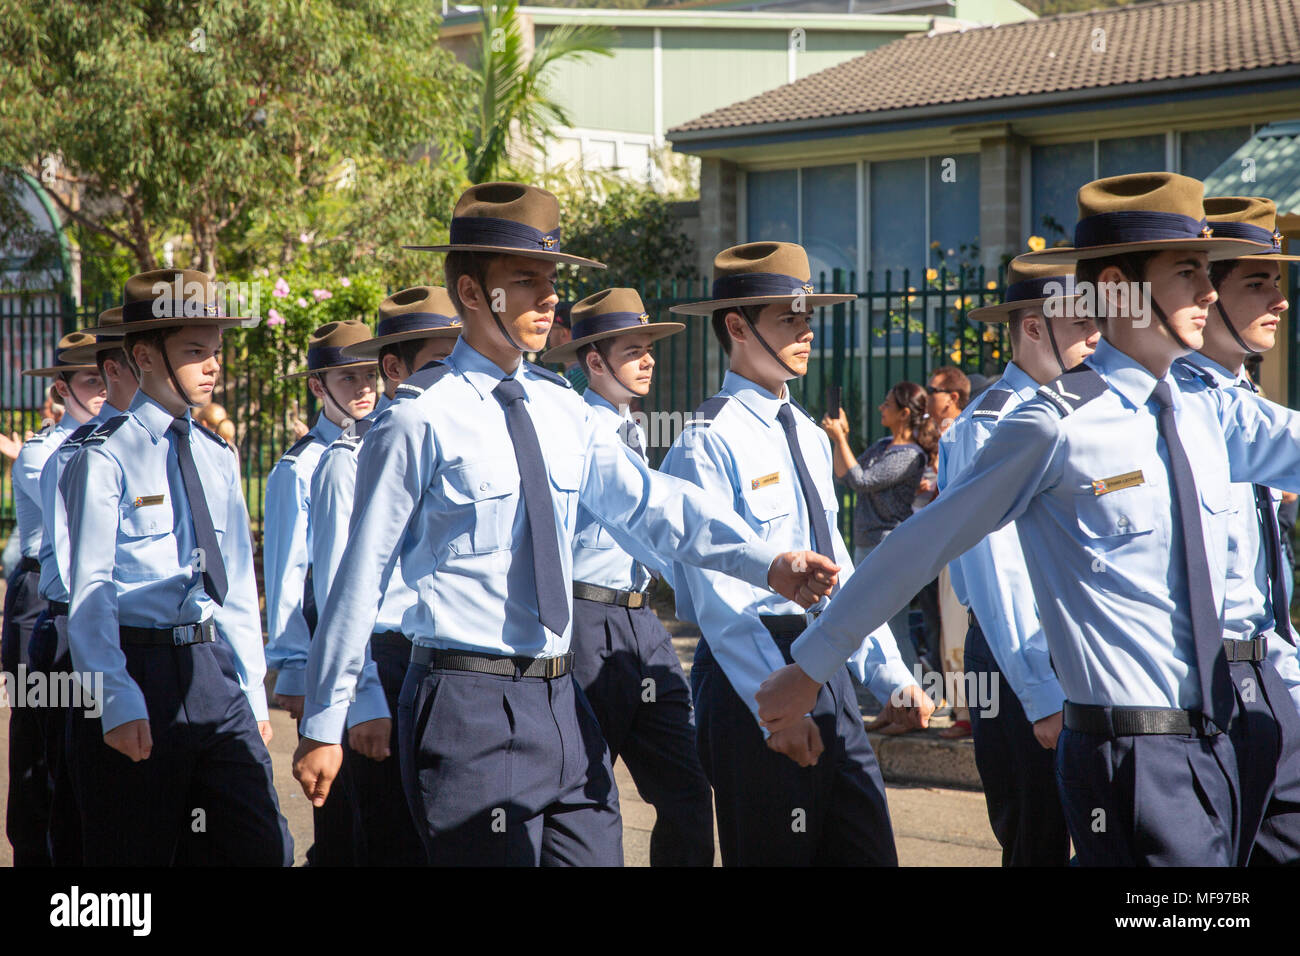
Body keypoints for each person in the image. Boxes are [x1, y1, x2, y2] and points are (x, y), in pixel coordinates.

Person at [291, 182, 838, 866]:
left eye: (551, 280)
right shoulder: (418, 417)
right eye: (525, 281)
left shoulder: (563, 411)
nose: (549, 297)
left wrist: (770, 562)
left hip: (562, 700)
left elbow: (656, 505)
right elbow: (358, 577)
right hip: (466, 708)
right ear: (470, 292)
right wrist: (324, 721)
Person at [756, 171, 1284, 866]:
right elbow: (923, 543)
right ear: (1121, 287)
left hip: (1221, 740)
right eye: (1189, 272)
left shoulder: (1209, 412)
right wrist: (812, 665)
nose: (1210, 292)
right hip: (1133, 755)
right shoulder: (1054, 425)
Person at [660, 240, 932, 866]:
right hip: (751, 675)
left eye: (808, 316)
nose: (807, 331)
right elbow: (719, 601)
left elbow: (840, 571)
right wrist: (774, 713)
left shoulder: (808, 434)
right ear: (737, 326)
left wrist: (887, 676)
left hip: (823, 660)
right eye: (789, 317)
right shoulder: (708, 440)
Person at [63, 268, 292, 865]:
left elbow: (237, 583)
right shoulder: (105, 455)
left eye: (216, 350)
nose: (214, 364)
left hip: (210, 667)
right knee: (134, 856)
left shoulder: (216, 455)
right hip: (137, 665)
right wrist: (114, 697)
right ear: (144, 354)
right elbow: (90, 590)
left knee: (261, 845)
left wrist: (250, 688)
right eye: (195, 350)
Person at [540, 287, 714, 867]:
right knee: (587, 794)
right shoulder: (576, 433)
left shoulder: (630, 430)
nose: (649, 360)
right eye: (634, 349)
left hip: (641, 621)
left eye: (650, 348)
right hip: (586, 622)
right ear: (594, 362)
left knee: (688, 788)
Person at [943, 259, 1097, 866]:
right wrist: (1041, 693)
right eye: (1081, 321)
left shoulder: (1085, 408)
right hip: (1021, 654)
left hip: (1078, 647)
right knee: (1036, 839)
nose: (1097, 334)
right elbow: (995, 570)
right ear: (1034, 328)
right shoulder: (992, 424)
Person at [311, 286, 464, 865]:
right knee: (388, 840)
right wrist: (362, 699)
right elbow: (338, 592)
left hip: (441, 662)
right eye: (437, 362)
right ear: (395, 369)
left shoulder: (463, 440)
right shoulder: (344, 463)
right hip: (385, 657)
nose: (454, 375)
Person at [1170, 195, 1300, 865]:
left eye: (1278, 282)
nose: (1280, 300)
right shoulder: (1176, 409)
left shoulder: (1241, 401)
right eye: (1257, 283)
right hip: (1203, 689)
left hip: (1265, 675)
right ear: (1203, 293)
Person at [263, 320, 379, 866]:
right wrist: (293, 669)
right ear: (317, 385)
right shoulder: (301, 466)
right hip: (332, 663)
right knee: (343, 823)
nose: (364, 387)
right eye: (347, 376)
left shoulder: (385, 448)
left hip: (384, 653)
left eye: (370, 374)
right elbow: (288, 577)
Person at [30, 307, 140, 866]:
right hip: (77, 628)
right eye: (95, 377)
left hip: (136, 636)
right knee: (68, 786)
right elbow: (78, 572)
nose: (105, 388)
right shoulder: (68, 456)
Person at [5, 332, 105, 865]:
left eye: (106, 378)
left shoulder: (117, 442)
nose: (102, 391)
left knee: (86, 741)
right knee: (39, 743)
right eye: (91, 381)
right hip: (43, 600)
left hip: (92, 597)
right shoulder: (43, 452)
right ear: (62, 389)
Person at [821, 381, 930, 694]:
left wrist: (841, 437)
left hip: (889, 545)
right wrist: (838, 439)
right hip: (867, 543)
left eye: (887, 404)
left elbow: (862, 480)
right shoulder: (884, 445)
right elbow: (844, 471)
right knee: (871, 622)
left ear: (904, 413)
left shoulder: (911, 455)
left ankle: (912, 696)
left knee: (891, 625)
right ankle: (896, 698)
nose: (881, 408)